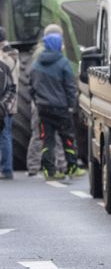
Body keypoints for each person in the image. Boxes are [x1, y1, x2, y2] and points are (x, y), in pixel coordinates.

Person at [30, 32, 84, 180]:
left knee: (47, 140)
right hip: (61, 109)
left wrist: (38, 102)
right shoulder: (63, 63)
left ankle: (49, 171)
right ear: (56, 45)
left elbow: (31, 88)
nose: (62, 46)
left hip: (43, 109)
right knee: (67, 138)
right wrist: (71, 106)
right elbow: (70, 87)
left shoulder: (36, 64)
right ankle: (72, 168)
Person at [26, 23, 67, 176]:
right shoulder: (51, 52)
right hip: (48, 100)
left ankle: (34, 165)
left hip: (40, 100)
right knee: (51, 133)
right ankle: (58, 164)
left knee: (39, 133)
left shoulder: (40, 52)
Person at [0, 26, 19, 180]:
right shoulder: (13, 53)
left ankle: (6, 169)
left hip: (4, 102)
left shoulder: (5, 56)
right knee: (6, 134)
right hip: (10, 101)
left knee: (4, 134)